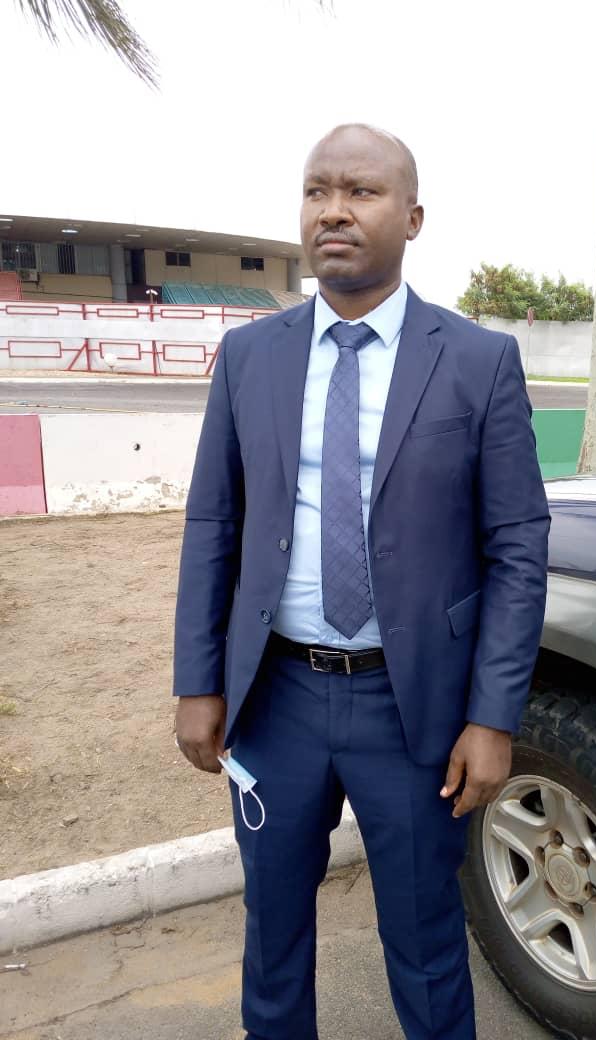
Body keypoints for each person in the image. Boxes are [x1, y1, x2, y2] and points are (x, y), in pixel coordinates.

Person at [173, 123, 550, 1040]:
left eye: (362, 191)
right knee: (272, 927)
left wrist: (493, 718)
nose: (334, 211)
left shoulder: (477, 360)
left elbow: (517, 545)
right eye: (317, 190)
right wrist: (197, 682)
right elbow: (213, 523)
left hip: (413, 710)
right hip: (278, 700)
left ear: (413, 218)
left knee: (424, 936)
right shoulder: (251, 356)